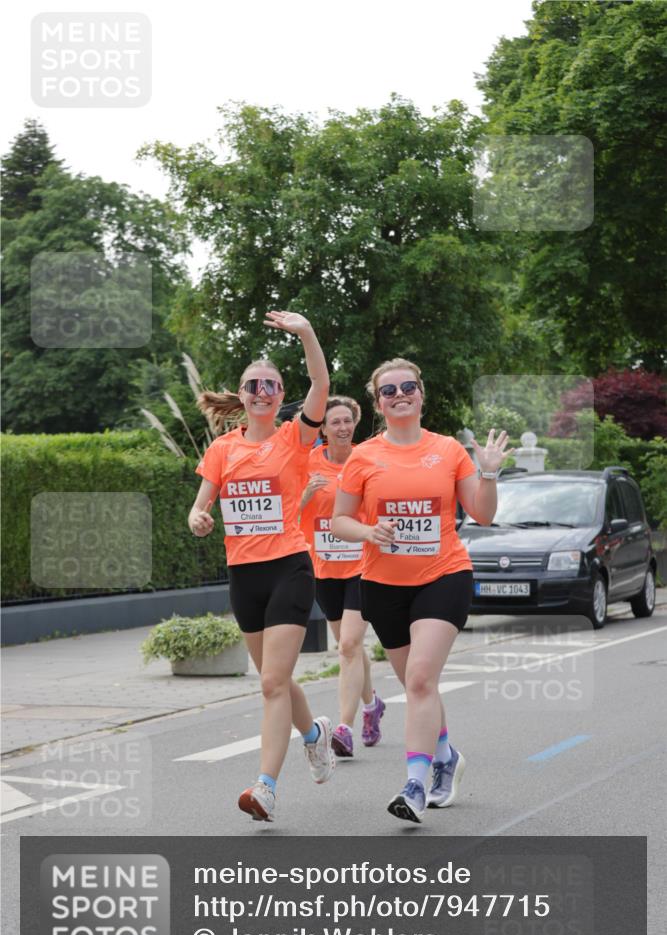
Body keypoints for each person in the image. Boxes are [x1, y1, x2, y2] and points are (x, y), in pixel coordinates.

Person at [332, 358, 512, 823]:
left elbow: (484, 514)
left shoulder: (448, 450)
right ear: (378, 403)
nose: (399, 395)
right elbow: (340, 520)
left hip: (443, 576)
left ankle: (415, 784)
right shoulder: (364, 456)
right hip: (382, 584)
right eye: (388, 391)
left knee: (419, 679)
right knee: (417, 685)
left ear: (421, 393)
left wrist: (488, 473)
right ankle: (447, 756)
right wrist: (369, 532)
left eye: (407, 386)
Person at [188, 311, 335, 823]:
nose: (262, 391)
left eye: (271, 384)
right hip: (243, 576)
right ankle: (314, 735)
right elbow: (200, 505)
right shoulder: (223, 448)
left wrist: (305, 332)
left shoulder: (295, 437)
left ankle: (265, 787)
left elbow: (321, 381)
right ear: (243, 394)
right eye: (253, 385)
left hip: (289, 569)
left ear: (279, 394)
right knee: (276, 679)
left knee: (273, 682)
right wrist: (199, 517)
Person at [299, 397, 386, 758]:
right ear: (323, 428)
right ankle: (372, 705)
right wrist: (304, 495)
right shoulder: (306, 463)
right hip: (324, 567)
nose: (342, 427)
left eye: (347, 421)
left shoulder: (366, 460)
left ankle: (343, 728)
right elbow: (288, 513)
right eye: (334, 422)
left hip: (361, 564)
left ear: (355, 423)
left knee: (349, 645)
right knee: (350, 648)